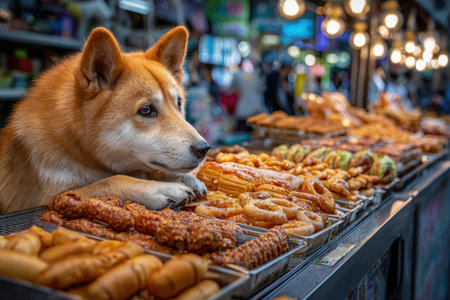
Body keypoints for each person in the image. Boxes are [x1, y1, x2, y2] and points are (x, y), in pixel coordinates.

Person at [228, 59, 267, 130]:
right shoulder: (257, 75)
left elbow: (229, 91)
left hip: (243, 111)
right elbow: (262, 89)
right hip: (256, 109)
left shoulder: (237, 75)